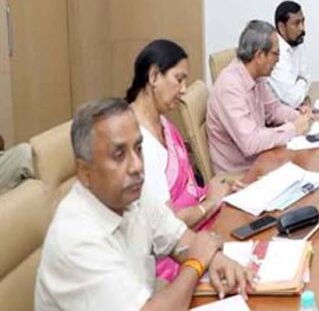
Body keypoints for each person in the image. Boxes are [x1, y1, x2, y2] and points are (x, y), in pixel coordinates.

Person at [35, 98, 251, 311]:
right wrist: (196, 263)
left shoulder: (130, 195)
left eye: (138, 148)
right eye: (119, 155)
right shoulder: (77, 239)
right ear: (84, 172)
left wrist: (216, 259)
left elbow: (179, 239)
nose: (137, 166)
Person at [126, 39, 243, 281]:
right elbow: (166, 226)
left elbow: (188, 185)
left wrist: (216, 190)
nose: (183, 90)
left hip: (198, 228)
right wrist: (210, 203)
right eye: (179, 79)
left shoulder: (162, 122)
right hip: (173, 255)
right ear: (154, 76)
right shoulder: (137, 142)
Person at [208, 20, 311, 174]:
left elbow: (273, 109)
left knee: (308, 164)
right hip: (241, 175)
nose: (278, 60)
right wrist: (292, 129)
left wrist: (300, 117)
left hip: (262, 160)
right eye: (275, 54)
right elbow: (250, 142)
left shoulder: (257, 76)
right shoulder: (230, 87)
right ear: (259, 55)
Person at [268, 0, 311, 109]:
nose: (302, 28)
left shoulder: (296, 42)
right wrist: (302, 81)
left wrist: (301, 81)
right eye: (296, 23)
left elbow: (307, 77)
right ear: (282, 28)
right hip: (274, 115)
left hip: (291, 111)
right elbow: (292, 100)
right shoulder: (273, 52)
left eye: (303, 21)